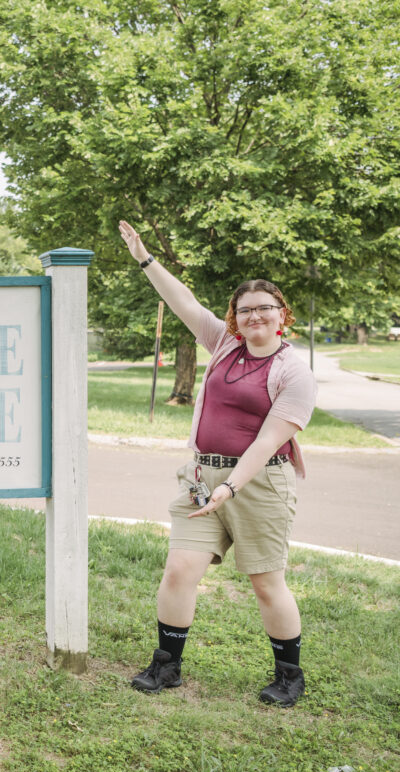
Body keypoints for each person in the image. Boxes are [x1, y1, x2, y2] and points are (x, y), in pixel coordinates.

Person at [118, 220, 318, 707]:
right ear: (234, 318)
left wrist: (229, 488)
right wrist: (145, 258)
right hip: (202, 476)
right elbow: (183, 300)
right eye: (244, 310)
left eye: (264, 309)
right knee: (179, 571)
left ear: (281, 316)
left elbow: (268, 441)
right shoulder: (225, 345)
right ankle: (167, 668)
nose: (254, 316)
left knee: (266, 583)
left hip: (260, 482)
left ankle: (289, 677)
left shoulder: (293, 371)